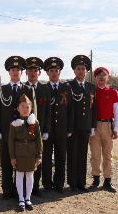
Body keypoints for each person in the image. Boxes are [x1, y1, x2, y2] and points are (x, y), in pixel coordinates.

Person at [0, 56, 35, 199]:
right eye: (12, 69)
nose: (15, 72)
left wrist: (31, 129)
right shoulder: (2, 90)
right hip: (5, 132)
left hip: (22, 133)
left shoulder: (28, 89)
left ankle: (20, 191)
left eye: (18, 69)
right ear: (9, 72)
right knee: (6, 162)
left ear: (22, 72)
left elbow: (32, 111)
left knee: (21, 162)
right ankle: (7, 190)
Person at [42, 57, 74, 193]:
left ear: (59, 72)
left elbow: (71, 110)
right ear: (47, 73)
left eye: (56, 70)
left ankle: (59, 184)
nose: (54, 73)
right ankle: (47, 184)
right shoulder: (43, 88)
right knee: (46, 158)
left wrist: (70, 128)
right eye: (51, 71)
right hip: (48, 131)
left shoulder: (66, 88)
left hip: (62, 130)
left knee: (61, 157)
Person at [67, 55, 97, 192]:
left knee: (83, 154)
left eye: (83, 69)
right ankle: (72, 182)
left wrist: (93, 126)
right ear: (74, 71)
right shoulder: (69, 86)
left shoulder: (91, 87)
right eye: (78, 69)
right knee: (72, 154)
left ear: (86, 71)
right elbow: (67, 108)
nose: (81, 71)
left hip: (85, 127)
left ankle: (81, 182)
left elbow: (94, 108)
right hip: (73, 127)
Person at [89, 67, 118, 193]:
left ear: (108, 77)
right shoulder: (92, 92)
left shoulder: (113, 92)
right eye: (98, 75)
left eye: (104, 75)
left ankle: (107, 181)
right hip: (94, 126)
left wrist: (116, 129)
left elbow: (117, 112)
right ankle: (96, 180)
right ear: (95, 78)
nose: (101, 77)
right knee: (95, 155)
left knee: (108, 155)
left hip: (108, 126)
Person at [9, 94, 42, 212]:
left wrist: (39, 155)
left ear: (31, 108)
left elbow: (38, 140)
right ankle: (21, 199)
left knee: (30, 175)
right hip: (19, 154)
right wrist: (12, 157)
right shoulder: (14, 124)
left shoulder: (35, 122)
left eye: (27, 107)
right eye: (22, 106)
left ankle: (28, 198)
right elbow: (11, 142)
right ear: (18, 108)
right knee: (19, 175)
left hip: (31, 153)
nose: (25, 109)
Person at [25, 57, 51, 196]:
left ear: (39, 73)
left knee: (38, 158)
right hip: (25, 130)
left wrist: (46, 130)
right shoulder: (23, 88)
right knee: (25, 157)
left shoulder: (45, 89)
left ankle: (35, 187)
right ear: (26, 73)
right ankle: (24, 186)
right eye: (30, 70)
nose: (33, 72)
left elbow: (48, 112)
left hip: (40, 130)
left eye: (35, 70)